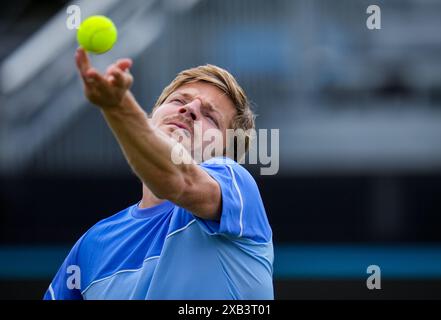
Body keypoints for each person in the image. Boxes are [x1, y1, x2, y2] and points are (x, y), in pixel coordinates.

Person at [43, 48, 273, 300]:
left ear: (226, 155)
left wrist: (118, 106)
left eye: (210, 116)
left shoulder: (237, 188)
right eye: (178, 101)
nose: (190, 109)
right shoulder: (92, 244)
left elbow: (178, 181)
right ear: (151, 119)